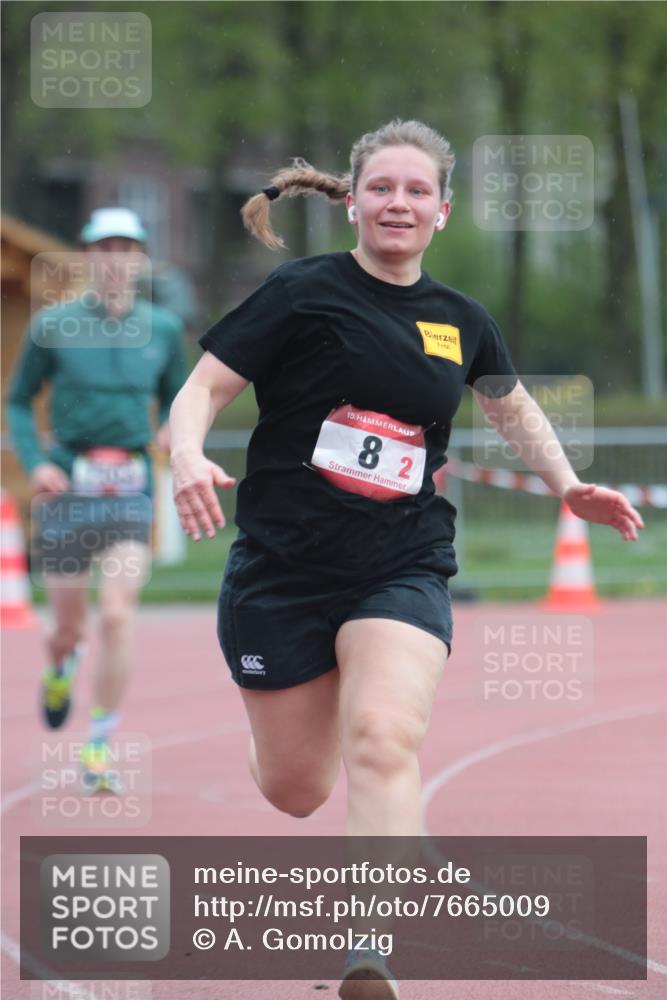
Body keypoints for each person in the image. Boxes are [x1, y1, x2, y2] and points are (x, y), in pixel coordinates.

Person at [168, 120, 644, 998]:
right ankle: (280, 741)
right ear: (352, 202)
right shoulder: (301, 293)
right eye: (381, 187)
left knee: (384, 738)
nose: (398, 203)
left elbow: (509, 407)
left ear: (441, 211)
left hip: (401, 563)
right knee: (296, 790)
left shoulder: (460, 320)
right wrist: (187, 453)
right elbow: (202, 389)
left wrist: (567, 483)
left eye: (416, 190)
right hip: (281, 568)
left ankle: (368, 948)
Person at [7, 207, 187, 790]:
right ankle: (60, 667)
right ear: (88, 256)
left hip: (130, 491)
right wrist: (36, 465)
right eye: (104, 248)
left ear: (140, 260)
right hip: (68, 492)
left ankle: (99, 747)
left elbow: (181, 397)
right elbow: (18, 400)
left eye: (125, 249)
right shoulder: (53, 324)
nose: (115, 260)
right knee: (68, 630)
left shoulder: (163, 329)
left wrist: (174, 432)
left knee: (115, 615)